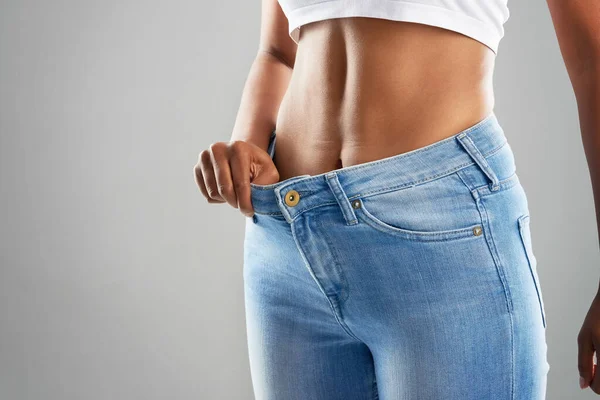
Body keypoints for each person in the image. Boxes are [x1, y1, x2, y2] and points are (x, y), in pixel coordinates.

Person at [194, 1, 600, 398]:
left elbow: (593, 61)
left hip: (444, 235)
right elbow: (279, 52)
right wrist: (247, 147)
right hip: (287, 242)